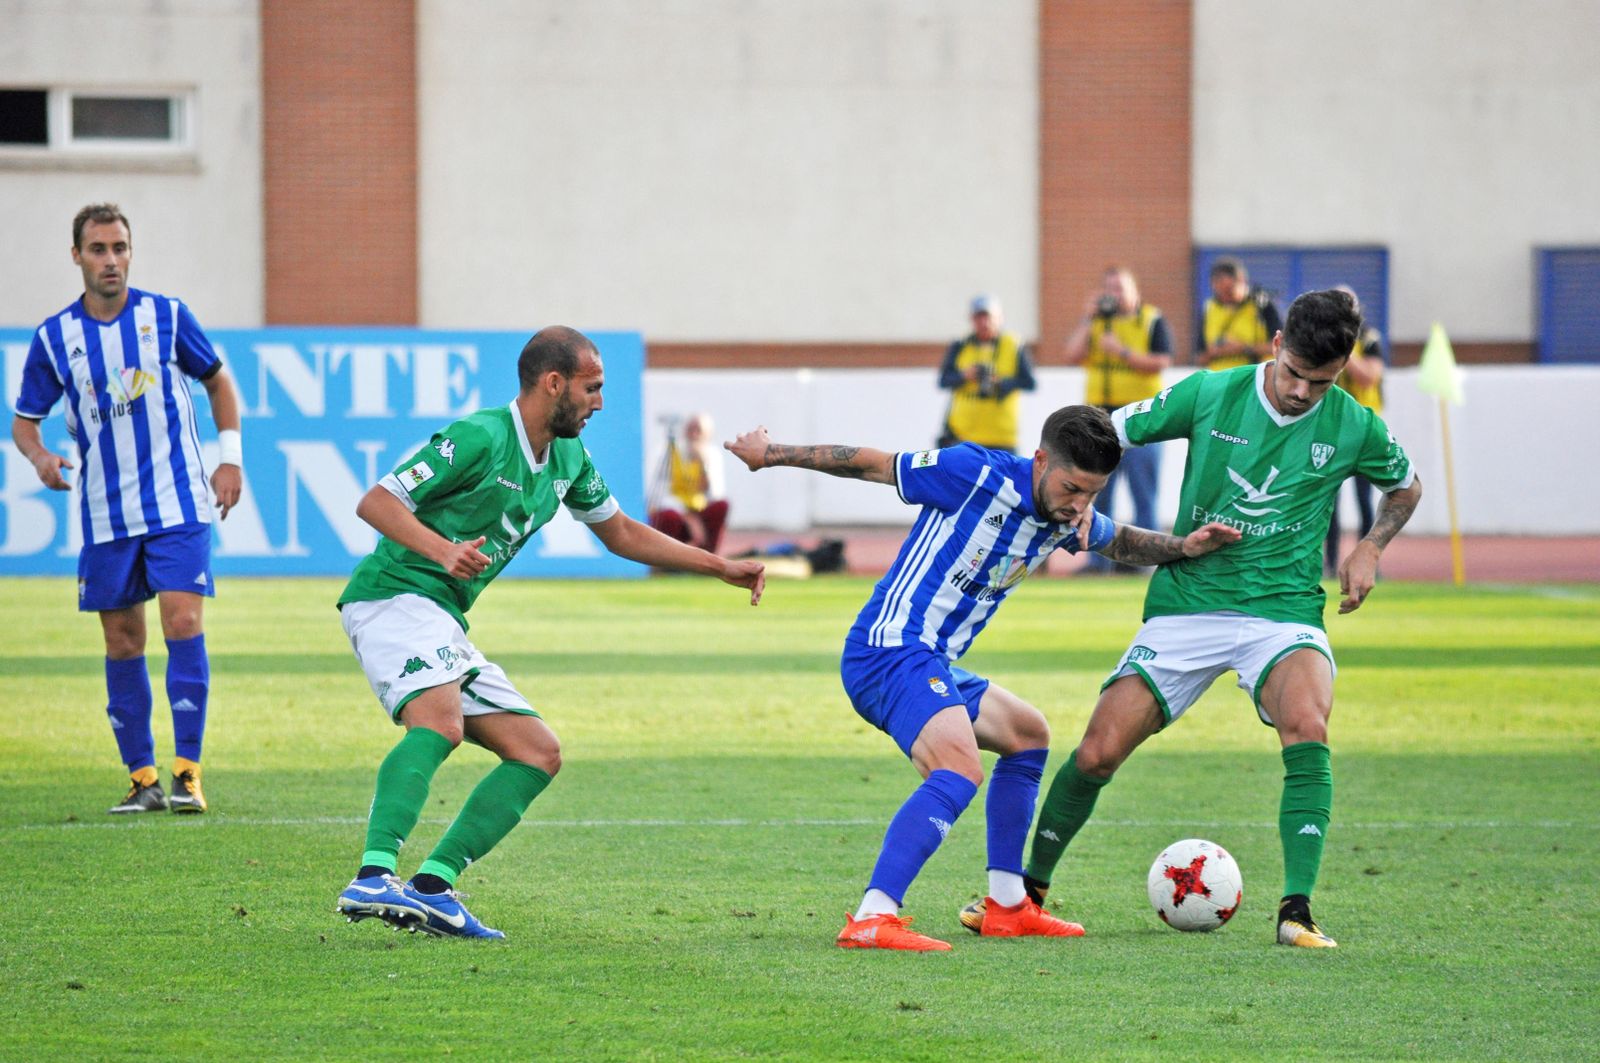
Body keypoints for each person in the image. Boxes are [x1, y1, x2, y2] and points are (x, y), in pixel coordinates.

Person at [982, 289, 1421, 950]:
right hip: (1187, 601)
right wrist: (1057, 493)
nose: (1303, 391)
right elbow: (1105, 432)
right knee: (1098, 751)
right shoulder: (1210, 394)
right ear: (1275, 346)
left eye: (1320, 381)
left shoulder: (1355, 424)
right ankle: (1028, 893)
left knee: (1308, 722)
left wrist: (1370, 545)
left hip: (1283, 608)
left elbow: (1406, 485)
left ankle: (1296, 911)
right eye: (1294, 371)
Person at [726, 410, 1239, 951]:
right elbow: (872, 464)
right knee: (958, 768)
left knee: (1027, 734)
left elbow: (1122, 543)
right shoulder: (973, 472)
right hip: (890, 648)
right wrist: (772, 453)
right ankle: (872, 917)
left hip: (932, 662)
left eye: (1092, 494)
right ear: (1041, 460)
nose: (1079, 505)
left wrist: (1183, 547)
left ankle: (1008, 905)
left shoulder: (1069, 516)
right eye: (1071, 488)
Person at [334, 326, 764, 939]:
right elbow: (377, 500)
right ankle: (374, 874)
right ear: (553, 382)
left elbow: (621, 534)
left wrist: (720, 566)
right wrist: (443, 549)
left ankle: (433, 887)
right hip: (394, 596)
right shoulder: (479, 436)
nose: (600, 402)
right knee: (439, 722)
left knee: (538, 751)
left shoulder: (566, 457)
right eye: (592, 388)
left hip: (442, 616)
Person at [11, 203, 243, 816]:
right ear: (77, 257)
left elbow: (219, 381)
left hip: (177, 502)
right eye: (98, 249)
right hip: (104, 514)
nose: (110, 260)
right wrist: (39, 459)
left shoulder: (166, 317)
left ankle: (187, 773)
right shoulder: (55, 337)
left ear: (130, 252)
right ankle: (142, 780)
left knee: (183, 624)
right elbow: (24, 423)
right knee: (122, 641)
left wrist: (230, 459)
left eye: (119, 248)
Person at [1062, 266, 1174, 572]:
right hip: (1100, 421)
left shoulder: (1151, 319)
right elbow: (1071, 355)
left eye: (1120, 288)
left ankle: (1146, 564)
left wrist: (1122, 352)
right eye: (1109, 289)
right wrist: (1088, 318)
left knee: (1144, 496)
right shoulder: (1097, 323)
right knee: (1096, 494)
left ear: (1134, 291)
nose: (1114, 295)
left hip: (1141, 421)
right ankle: (1098, 563)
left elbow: (1162, 360)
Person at [1324, 287, 1386, 577]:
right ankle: (1330, 562)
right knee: (1329, 501)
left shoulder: (1369, 338)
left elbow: (1369, 376)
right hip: (1331, 429)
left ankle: (1369, 560)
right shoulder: (1320, 337)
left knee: (1365, 500)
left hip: (1363, 430)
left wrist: (1343, 350)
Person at [936, 294, 1036, 452]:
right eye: (978, 317)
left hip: (1001, 436)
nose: (984, 323)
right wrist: (964, 375)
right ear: (971, 319)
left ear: (999, 318)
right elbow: (943, 380)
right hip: (964, 435)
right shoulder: (960, 344)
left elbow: (1029, 383)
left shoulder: (1013, 344)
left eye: (988, 317)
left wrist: (1000, 383)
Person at [648, 412, 730, 553]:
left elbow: (716, 494)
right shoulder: (668, 452)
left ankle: (709, 553)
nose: (694, 435)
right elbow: (658, 492)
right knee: (668, 516)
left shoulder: (712, 455)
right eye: (690, 429)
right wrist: (687, 516)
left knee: (722, 506)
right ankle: (668, 557)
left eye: (699, 431)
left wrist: (704, 466)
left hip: (699, 512)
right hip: (675, 511)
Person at [1197, 257, 1283, 372]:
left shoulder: (1262, 305)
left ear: (1242, 281)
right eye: (1220, 291)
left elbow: (1282, 346)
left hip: (1255, 378)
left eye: (1229, 291)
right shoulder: (1209, 309)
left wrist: (1244, 348)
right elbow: (1199, 356)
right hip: (1221, 380)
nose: (1225, 297)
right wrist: (1215, 352)